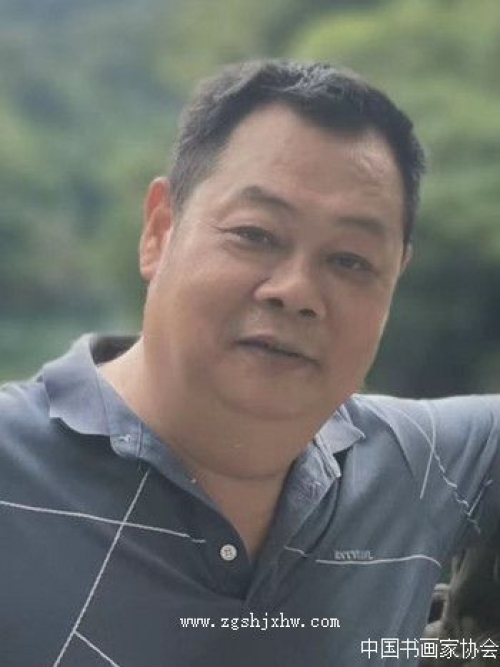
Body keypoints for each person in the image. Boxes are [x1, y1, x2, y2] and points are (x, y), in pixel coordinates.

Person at [0, 59, 499, 667]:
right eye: (256, 234)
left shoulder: (419, 466)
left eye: (351, 261)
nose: (297, 291)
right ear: (159, 230)